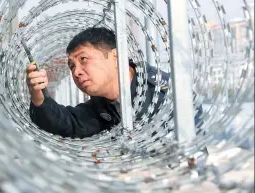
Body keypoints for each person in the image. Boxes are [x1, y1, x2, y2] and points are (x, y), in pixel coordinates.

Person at [26, 27, 203, 138]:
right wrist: (38, 96)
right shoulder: (103, 104)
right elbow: (68, 123)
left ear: (116, 57)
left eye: (84, 59)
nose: (76, 72)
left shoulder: (165, 93)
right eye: (72, 66)